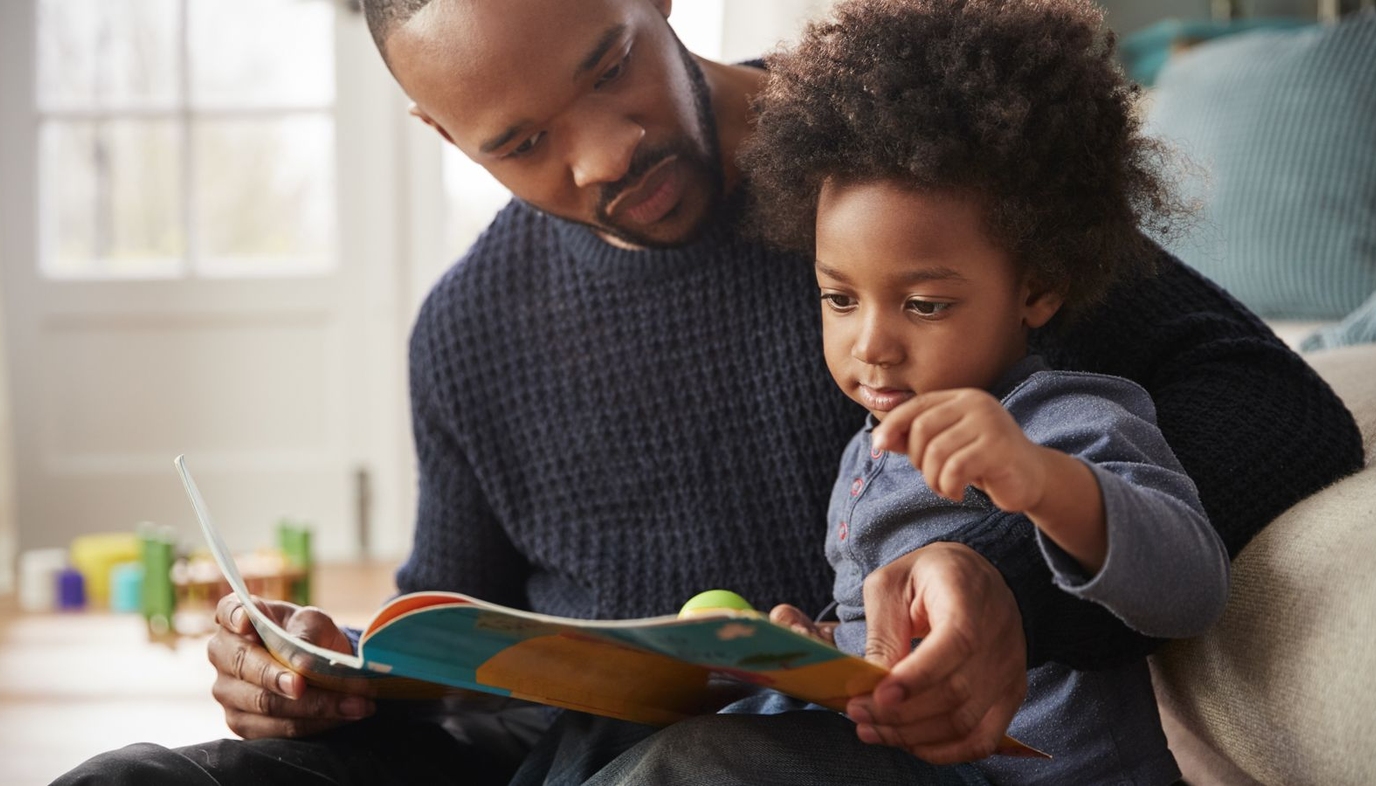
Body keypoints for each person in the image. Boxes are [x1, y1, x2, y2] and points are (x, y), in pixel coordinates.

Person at [53, 0, 1362, 783]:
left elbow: (1276, 408)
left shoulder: (906, 186)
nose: (609, 147)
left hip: (840, 754)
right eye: (522, 142)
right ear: (444, 137)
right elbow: (458, 670)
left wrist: (1020, 600)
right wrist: (327, 681)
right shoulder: (465, 332)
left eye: (608, 60)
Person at [741, 1, 1228, 781]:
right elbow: (895, 653)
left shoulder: (1064, 419)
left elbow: (1193, 587)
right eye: (840, 298)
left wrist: (1041, 481)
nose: (870, 344)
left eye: (925, 304)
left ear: (1037, 289)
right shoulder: (863, 457)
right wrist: (817, 652)